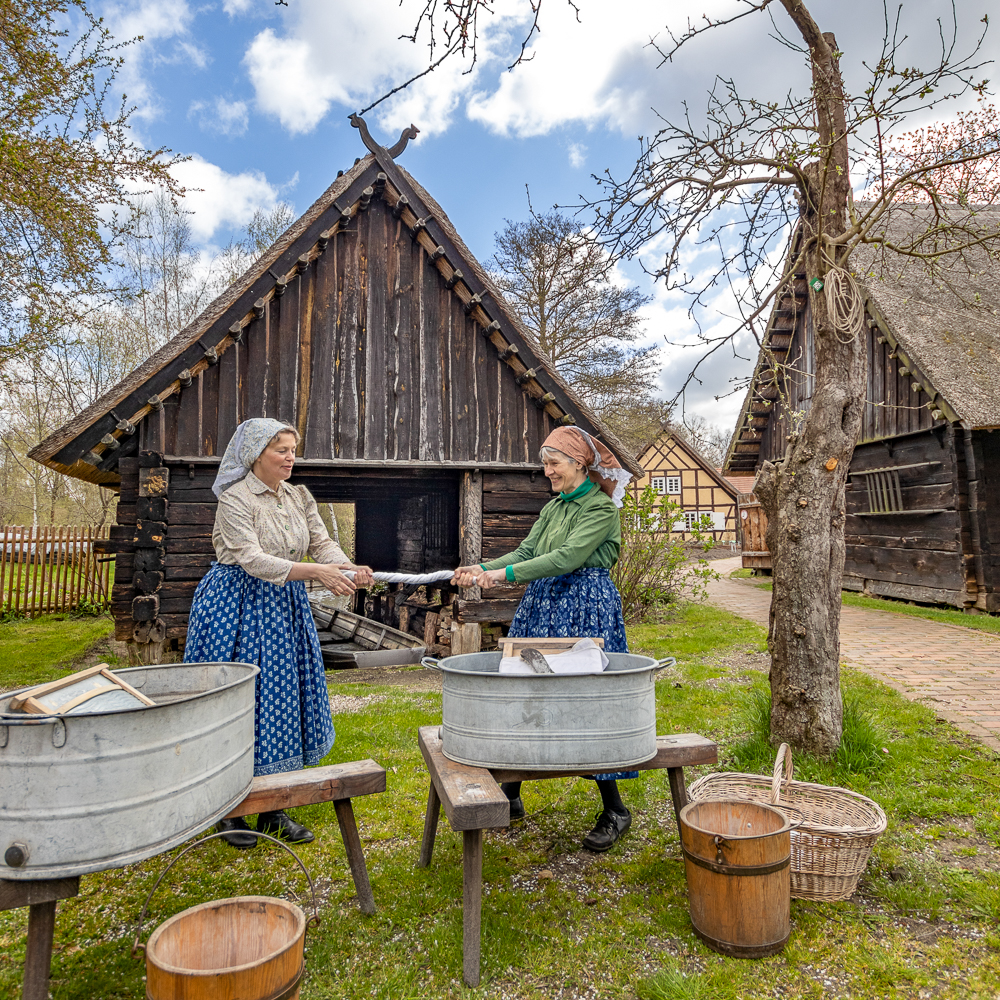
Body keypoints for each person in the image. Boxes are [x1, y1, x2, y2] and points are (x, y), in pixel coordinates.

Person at [184, 418, 374, 849]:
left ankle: (272, 806)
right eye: (282, 450)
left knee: (279, 699)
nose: (291, 458)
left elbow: (322, 543)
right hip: (236, 606)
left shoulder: (298, 496)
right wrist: (316, 573)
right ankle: (229, 809)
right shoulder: (234, 499)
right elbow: (251, 559)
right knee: (236, 702)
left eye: (293, 450)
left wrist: (346, 567)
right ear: (255, 455)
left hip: (283, 608)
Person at [453, 426, 634, 852]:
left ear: (579, 464)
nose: (546, 471)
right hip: (543, 603)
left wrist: (504, 575)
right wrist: (482, 568)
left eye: (553, 463)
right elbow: (526, 553)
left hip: (584, 604)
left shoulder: (600, 509)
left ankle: (615, 809)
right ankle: (513, 794)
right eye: (545, 463)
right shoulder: (553, 508)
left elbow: (568, 558)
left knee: (588, 698)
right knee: (526, 686)